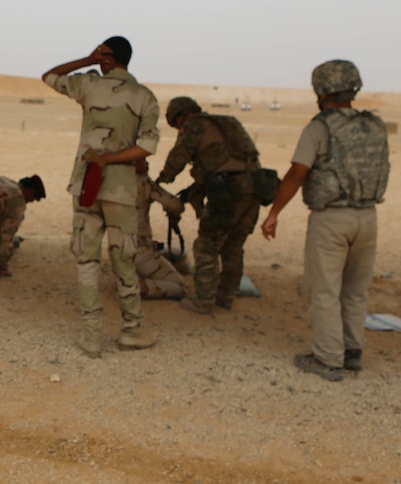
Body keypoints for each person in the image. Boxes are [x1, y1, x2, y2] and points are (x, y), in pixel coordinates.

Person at [261, 60, 388, 382]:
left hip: (332, 219)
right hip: (368, 217)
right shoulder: (373, 125)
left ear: (321, 90)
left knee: (325, 291)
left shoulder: (320, 127)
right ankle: (352, 352)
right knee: (356, 290)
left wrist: (274, 213)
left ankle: (328, 359)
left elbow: (296, 173)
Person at [42, 37, 161, 358]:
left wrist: (85, 59)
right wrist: (114, 159)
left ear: (106, 57)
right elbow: (147, 147)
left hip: (86, 187)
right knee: (125, 260)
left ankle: (92, 337)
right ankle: (131, 331)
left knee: (87, 261)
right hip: (121, 191)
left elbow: (50, 76)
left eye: (101, 55)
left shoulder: (89, 85)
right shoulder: (144, 96)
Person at [157, 96, 262, 314]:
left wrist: (163, 178)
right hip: (256, 187)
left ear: (182, 116)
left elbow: (178, 157)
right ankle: (226, 297)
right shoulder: (228, 122)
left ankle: (203, 301)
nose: (179, 129)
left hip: (229, 191)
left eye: (177, 124)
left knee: (206, 246)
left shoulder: (194, 126)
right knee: (233, 246)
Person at [133, 159, 187, 299]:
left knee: (176, 255)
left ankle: (129, 279)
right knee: (180, 286)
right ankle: (135, 288)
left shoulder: (108, 183)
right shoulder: (144, 182)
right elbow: (176, 205)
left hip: (118, 249)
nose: (147, 163)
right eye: (142, 159)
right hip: (141, 252)